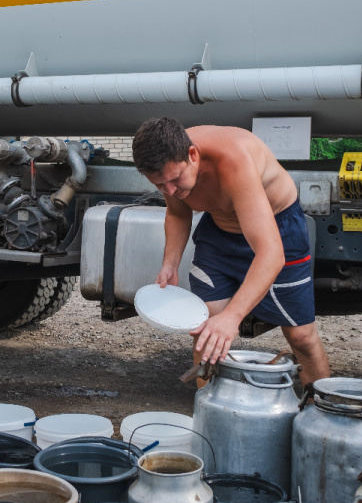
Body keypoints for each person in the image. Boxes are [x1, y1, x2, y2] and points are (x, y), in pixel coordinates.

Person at [131, 118, 331, 385]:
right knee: (205, 327)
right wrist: (170, 263)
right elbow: (178, 214)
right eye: (160, 186)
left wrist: (233, 317)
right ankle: (210, 412)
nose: (170, 190)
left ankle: (321, 415)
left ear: (192, 155)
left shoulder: (234, 160)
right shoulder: (168, 160)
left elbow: (271, 253)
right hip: (219, 231)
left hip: (277, 230)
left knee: (301, 337)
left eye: (175, 180)